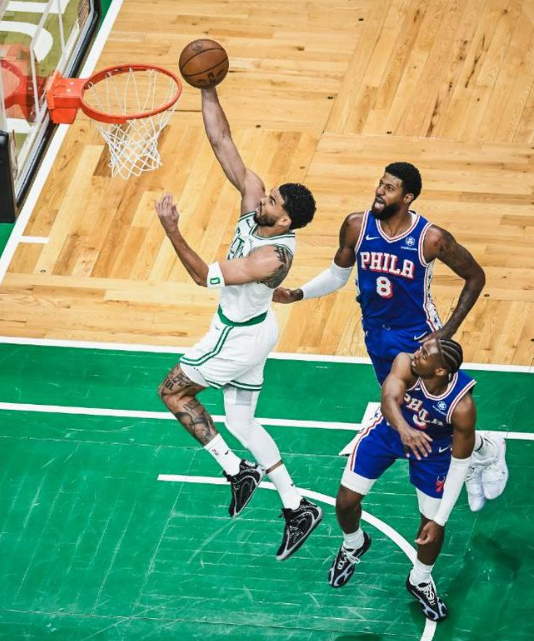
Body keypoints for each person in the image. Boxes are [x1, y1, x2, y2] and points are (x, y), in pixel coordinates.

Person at [273, 162, 507, 509]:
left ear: (407, 197)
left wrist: (445, 332)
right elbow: (338, 275)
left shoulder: (431, 238)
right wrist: (299, 294)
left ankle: (485, 452)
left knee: (438, 410)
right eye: (380, 184)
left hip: (417, 337)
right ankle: (478, 452)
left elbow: (476, 277)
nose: (380, 191)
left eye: (389, 187)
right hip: (376, 336)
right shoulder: (357, 226)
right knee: (411, 409)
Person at [154, 86, 322, 561]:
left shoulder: (271, 257)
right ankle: (297, 506)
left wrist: (172, 229)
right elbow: (222, 141)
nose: (262, 198)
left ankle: (236, 470)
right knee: (243, 422)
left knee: (172, 393)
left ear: (284, 221)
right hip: (259, 328)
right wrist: (207, 87)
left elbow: (202, 276)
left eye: (271, 201)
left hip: (235, 337)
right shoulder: (256, 207)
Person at [328, 337, 488, 621]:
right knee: (345, 502)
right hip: (389, 433)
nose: (416, 354)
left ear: (440, 370)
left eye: (424, 354)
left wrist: (440, 521)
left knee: (431, 525)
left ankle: (420, 579)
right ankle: (353, 543)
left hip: (434, 452)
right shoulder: (405, 363)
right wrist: (404, 430)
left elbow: (459, 465)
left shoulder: (462, 407)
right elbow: (388, 400)